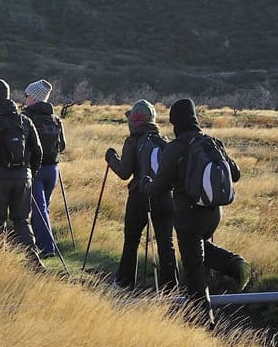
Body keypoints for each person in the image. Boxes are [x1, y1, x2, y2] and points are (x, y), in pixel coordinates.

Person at [143, 98, 251, 326]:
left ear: (175, 122)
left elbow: (160, 186)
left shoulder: (177, 147)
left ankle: (203, 323)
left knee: (193, 270)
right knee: (197, 251)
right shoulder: (212, 142)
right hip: (213, 213)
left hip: (188, 214)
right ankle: (234, 265)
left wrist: (145, 185)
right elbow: (235, 173)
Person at [104, 99, 177, 290]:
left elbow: (124, 173)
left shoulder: (133, 141)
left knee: (132, 241)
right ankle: (171, 288)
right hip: (164, 196)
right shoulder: (163, 141)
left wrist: (111, 158)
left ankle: (124, 283)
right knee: (165, 242)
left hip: (139, 197)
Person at [0, 78, 43, 261]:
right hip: (23, 177)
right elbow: (38, 152)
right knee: (22, 220)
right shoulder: (25, 121)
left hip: (0, 178)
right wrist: (30, 175)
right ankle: (33, 258)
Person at [23, 79, 66, 257]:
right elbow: (62, 145)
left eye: (26, 95)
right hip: (53, 170)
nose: (24, 99)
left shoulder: (27, 117)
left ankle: (47, 248)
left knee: (38, 209)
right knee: (44, 207)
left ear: (33, 97)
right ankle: (42, 244)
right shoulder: (55, 118)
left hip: (35, 169)